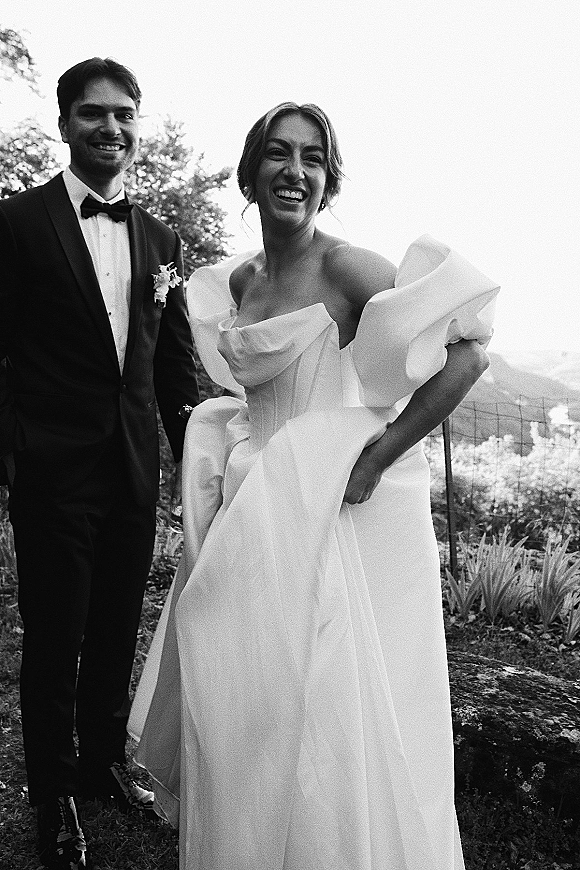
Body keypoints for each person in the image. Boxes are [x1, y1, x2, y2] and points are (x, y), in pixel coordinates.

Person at [129, 102, 499, 869]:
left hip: (323, 517)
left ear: (329, 179)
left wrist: (375, 458)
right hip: (247, 512)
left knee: (318, 707)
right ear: (249, 172)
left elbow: (467, 353)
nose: (295, 171)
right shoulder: (241, 277)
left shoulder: (346, 268)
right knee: (239, 699)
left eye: (313, 158)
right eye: (278, 152)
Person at [0, 58, 199, 869]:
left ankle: (102, 764)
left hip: (132, 470)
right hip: (51, 473)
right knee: (56, 637)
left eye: (124, 114)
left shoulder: (161, 239)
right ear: (64, 124)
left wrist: (195, 463)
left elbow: (173, 363)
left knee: (116, 627)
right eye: (93, 113)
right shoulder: (16, 224)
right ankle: (54, 795)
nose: (110, 128)